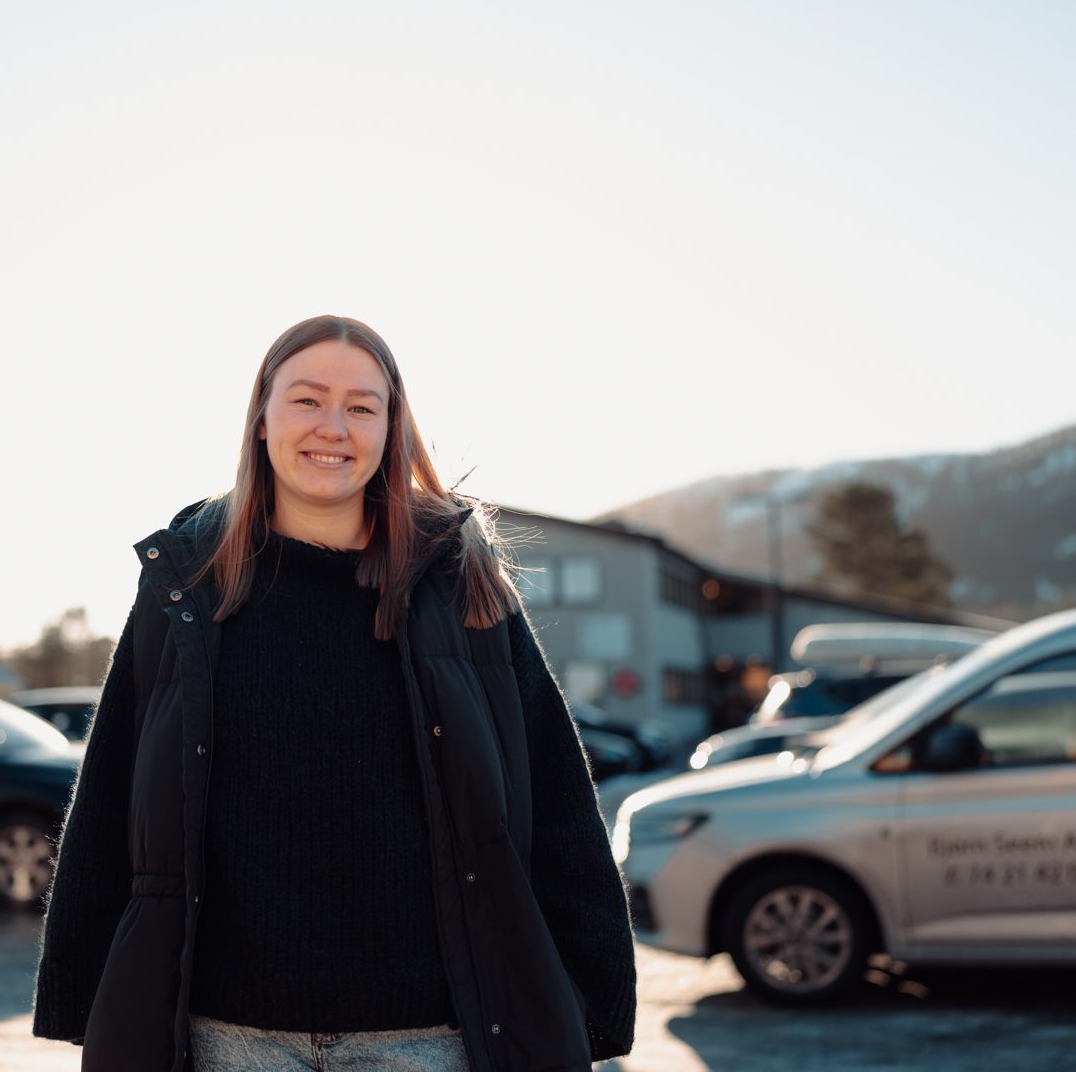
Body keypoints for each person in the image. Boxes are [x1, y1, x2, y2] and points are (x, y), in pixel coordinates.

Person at [31, 315, 637, 1071]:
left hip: (430, 1037)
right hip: (231, 1038)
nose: (333, 427)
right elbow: (112, 792)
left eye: (361, 406)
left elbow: (555, 801)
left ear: (390, 427)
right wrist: (88, 996)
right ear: (260, 418)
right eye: (306, 399)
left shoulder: (460, 584)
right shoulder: (185, 587)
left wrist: (591, 1000)